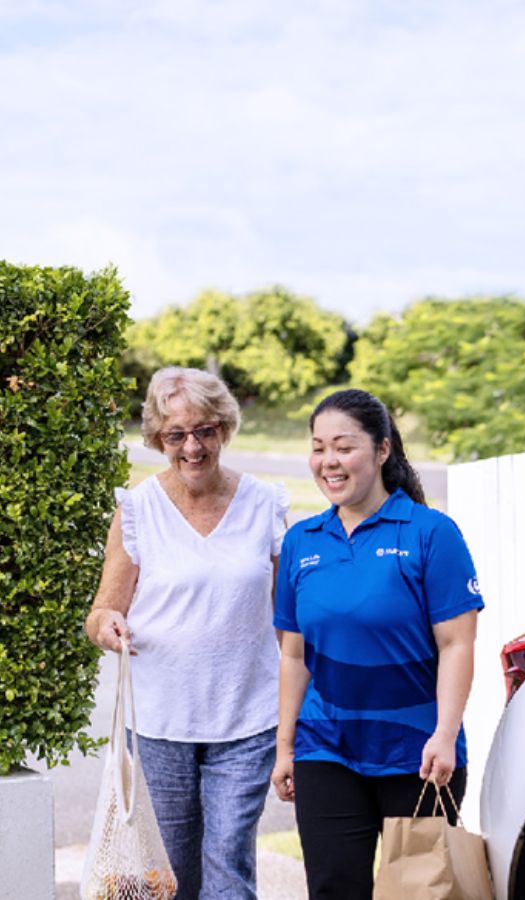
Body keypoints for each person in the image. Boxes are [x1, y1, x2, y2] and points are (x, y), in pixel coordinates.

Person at [85, 366, 288, 900]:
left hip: (247, 720)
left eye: (205, 430)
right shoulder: (137, 508)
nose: (192, 447)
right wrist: (107, 625)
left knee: (228, 863)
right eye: (176, 435)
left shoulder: (265, 504)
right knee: (170, 872)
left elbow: (289, 620)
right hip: (159, 722)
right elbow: (104, 607)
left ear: (224, 427)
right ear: (157, 439)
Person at [271, 388, 484, 899]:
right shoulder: (303, 540)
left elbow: (458, 644)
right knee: (333, 888)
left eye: (344, 447)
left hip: (417, 749)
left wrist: (445, 733)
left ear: (382, 450)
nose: (328, 461)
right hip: (326, 746)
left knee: (417, 892)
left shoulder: (431, 533)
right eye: (319, 447)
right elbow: (294, 654)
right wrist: (285, 748)